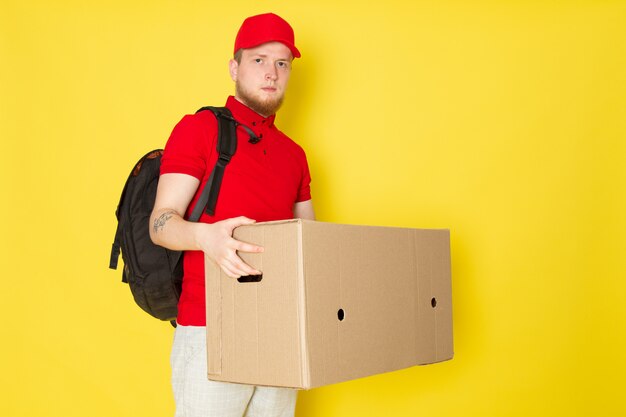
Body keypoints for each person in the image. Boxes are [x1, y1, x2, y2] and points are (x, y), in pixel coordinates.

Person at [149, 12, 315, 417]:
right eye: (259, 60)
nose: (271, 73)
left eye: (282, 63)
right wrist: (206, 237)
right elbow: (160, 222)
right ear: (234, 67)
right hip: (211, 329)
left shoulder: (294, 155)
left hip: (280, 330)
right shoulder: (198, 129)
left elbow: (309, 242)